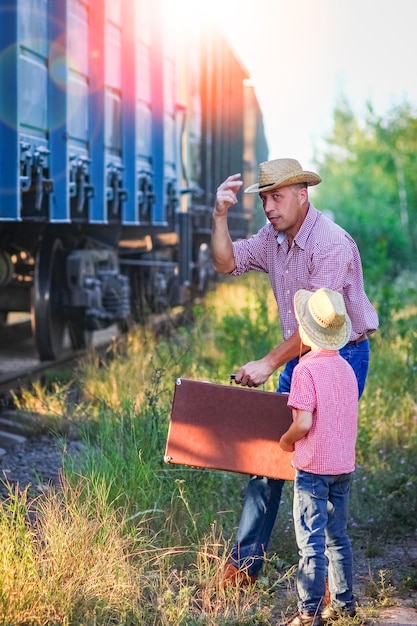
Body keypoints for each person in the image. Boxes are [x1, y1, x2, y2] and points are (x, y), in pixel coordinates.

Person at [211, 158, 379, 586]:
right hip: (299, 359)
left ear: (303, 194)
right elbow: (227, 263)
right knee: (270, 456)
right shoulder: (273, 237)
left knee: (316, 462)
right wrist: (219, 216)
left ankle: (322, 584)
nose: (269, 206)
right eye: (264, 197)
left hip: (342, 357)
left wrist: (269, 362)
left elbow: (320, 325)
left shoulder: (331, 244)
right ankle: (244, 569)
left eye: (277, 196)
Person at [279, 287, 358, 626]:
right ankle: (344, 605)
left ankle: (308, 613)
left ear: (306, 327)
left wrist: (286, 440)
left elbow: (305, 422)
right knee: (337, 538)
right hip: (343, 467)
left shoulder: (305, 370)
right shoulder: (347, 370)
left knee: (311, 543)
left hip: (313, 469)